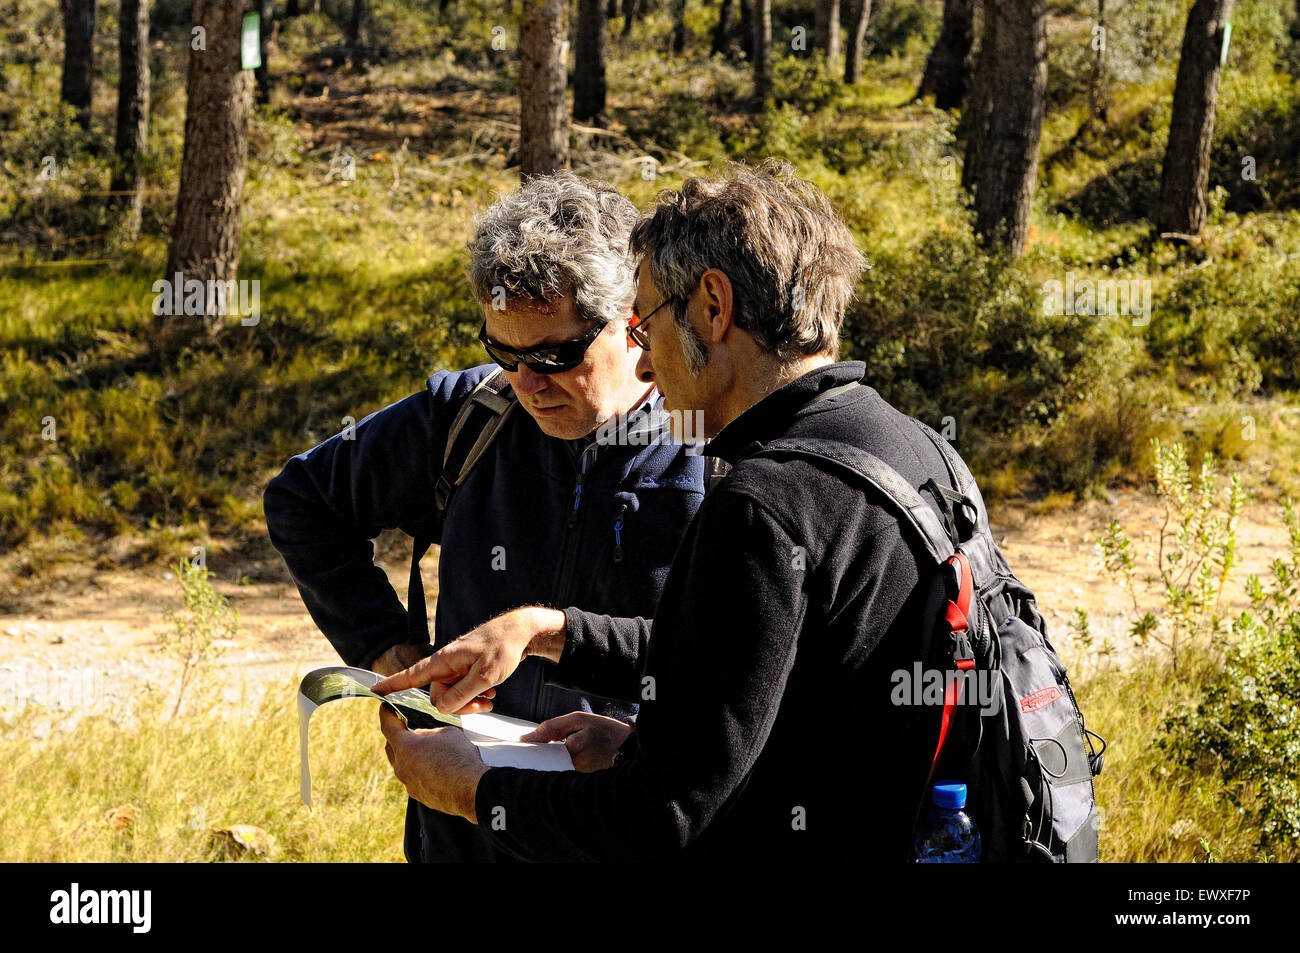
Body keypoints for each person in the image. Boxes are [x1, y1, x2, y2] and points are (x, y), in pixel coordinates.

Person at [373, 159, 973, 861]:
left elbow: (654, 822)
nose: (646, 362)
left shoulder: (760, 505)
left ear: (713, 307)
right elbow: (747, 668)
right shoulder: (921, 451)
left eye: (649, 320)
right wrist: (553, 631)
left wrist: (473, 790)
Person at [263, 171, 711, 862]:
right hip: (461, 837)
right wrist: (389, 651)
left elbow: (737, 663)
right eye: (504, 351)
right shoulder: (471, 416)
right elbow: (301, 500)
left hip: (619, 835)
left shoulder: (716, 452)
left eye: (556, 355)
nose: (528, 384)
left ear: (633, 322)